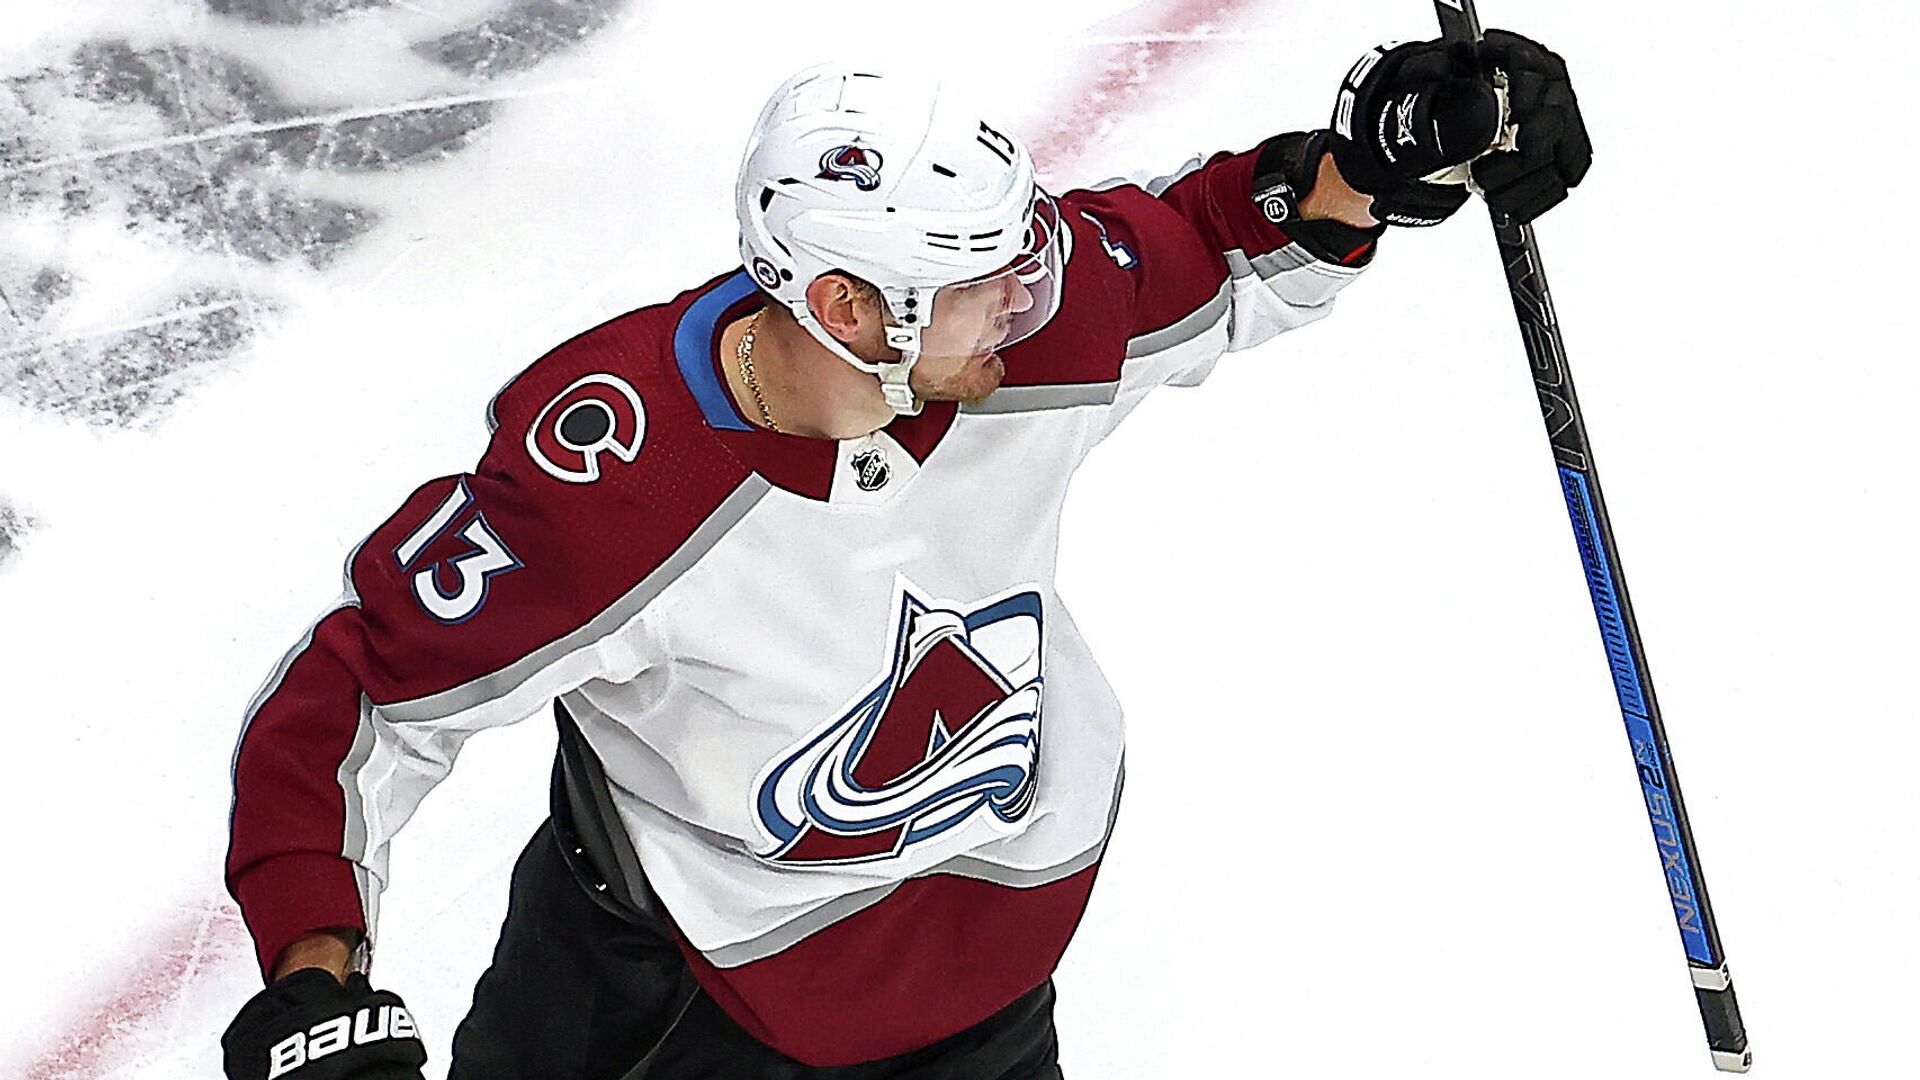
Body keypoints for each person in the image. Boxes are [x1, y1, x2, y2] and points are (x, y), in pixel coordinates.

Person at [222, 30, 1590, 1080]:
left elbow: (1221, 251)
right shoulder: (609, 486)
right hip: (676, 1010)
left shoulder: (1020, 335)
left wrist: (1388, 155)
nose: (1033, 289)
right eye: (983, 274)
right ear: (841, 302)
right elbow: (352, 706)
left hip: (985, 988)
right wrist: (318, 984)